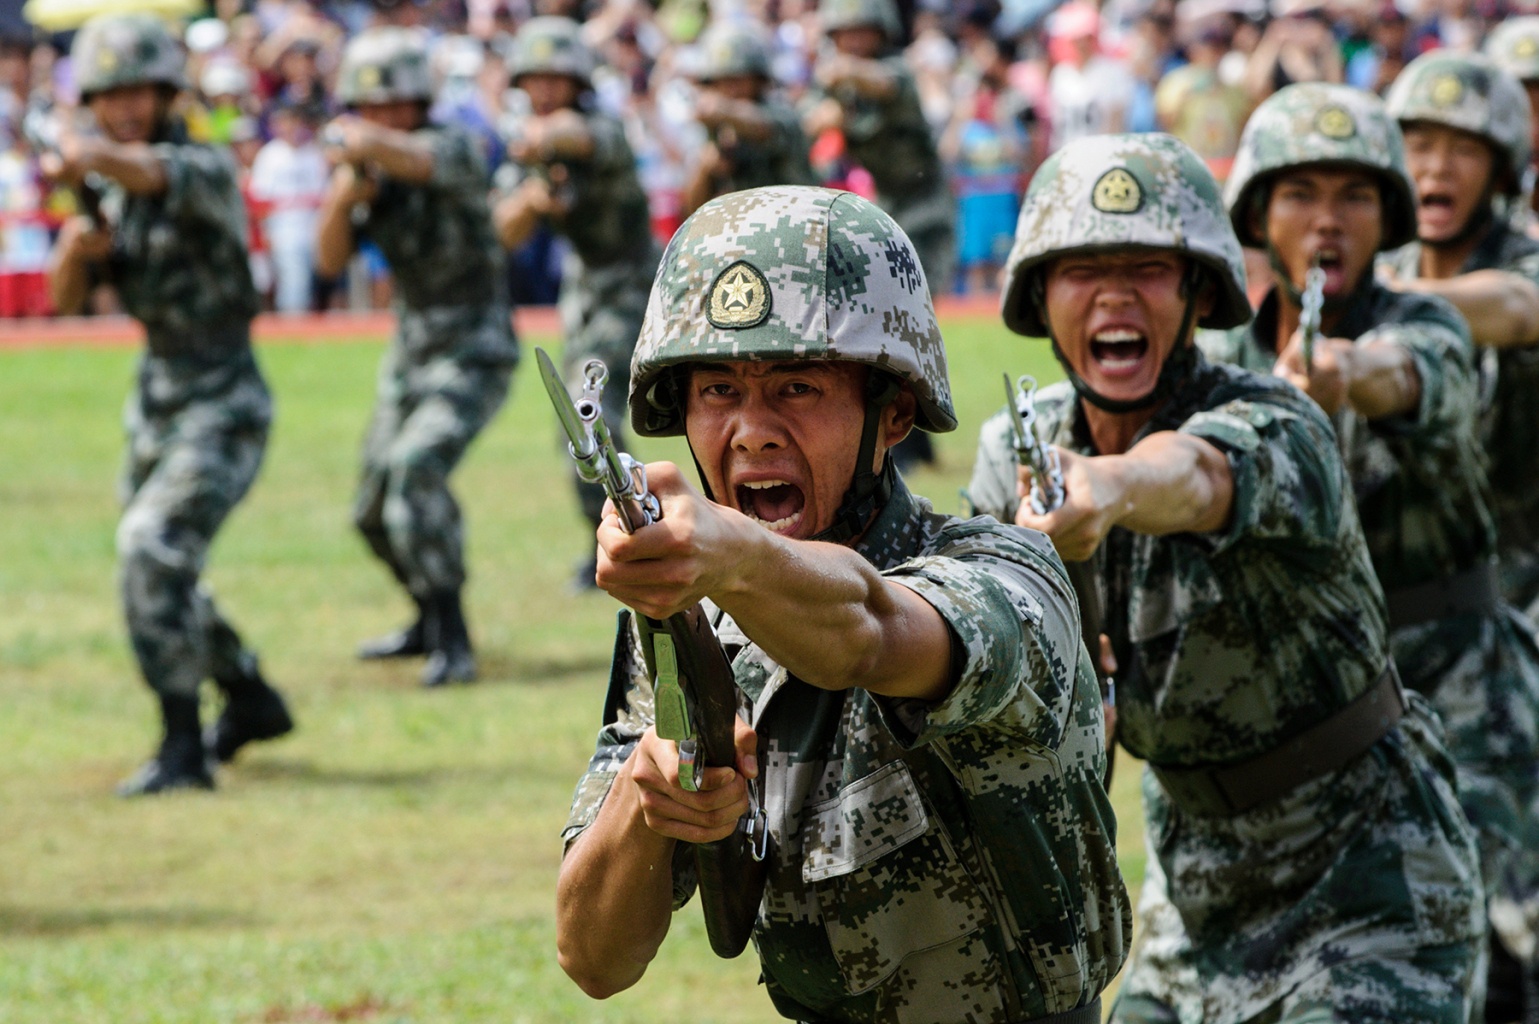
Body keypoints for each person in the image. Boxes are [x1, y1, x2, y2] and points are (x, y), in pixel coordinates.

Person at [556, 185, 1131, 1023]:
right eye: (716, 391)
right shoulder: (690, 626)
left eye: (796, 388)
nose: (750, 430)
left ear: (892, 414)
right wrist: (649, 805)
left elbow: (868, 630)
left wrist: (733, 552)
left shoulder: (1004, 574)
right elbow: (591, 960)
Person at [968, 132, 1485, 1023]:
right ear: (1038, 297)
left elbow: (1197, 475)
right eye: (1081, 270)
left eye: (1147, 268)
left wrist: (1109, 487)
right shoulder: (1015, 452)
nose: (1115, 295)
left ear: (1201, 292)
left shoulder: (1277, 421)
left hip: (1371, 886)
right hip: (1191, 896)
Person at [1202, 81, 1539, 1019]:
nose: (1327, 220)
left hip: (1457, 694)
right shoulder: (1222, 362)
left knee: (1484, 959)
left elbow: (1424, 363)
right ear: (1257, 217)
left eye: (1354, 196)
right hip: (1310, 724)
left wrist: (1346, 368)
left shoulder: (1426, 323)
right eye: (1299, 194)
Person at [43, 13, 294, 795]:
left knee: (150, 549)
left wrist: (87, 153)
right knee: (161, 564)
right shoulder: (116, 199)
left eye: (138, 92)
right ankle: (248, 694)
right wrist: (74, 249)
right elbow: (66, 302)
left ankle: (183, 746)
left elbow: (152, 170)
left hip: (224, 398)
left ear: (165, 94)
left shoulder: (198, 166)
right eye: (109, 95)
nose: (124, 107)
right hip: (156, 397)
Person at [316, 26, 518, 687]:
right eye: (368, 106)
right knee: (370, 508)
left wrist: (358, 141)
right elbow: (328, 260)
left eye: (393, 103)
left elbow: (417, 159)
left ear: (419, 102)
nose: (380, 116)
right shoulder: (369, 169)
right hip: (411, 351)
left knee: (417, 470)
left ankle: (454, 638)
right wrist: (344, 197)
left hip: (474, 347)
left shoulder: (451, 144)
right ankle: (425, 618)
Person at [490, 16, 660, 589]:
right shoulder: (530, 151)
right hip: (586, 290)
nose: (543, 89)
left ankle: (636, 531)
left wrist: (536, 139)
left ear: (577, 83)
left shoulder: (597, 129)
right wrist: (530, 197)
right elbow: (502, 232)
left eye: (555, 78)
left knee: (594, 415)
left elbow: (574, 135)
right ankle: (611, 531)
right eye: (533, 79)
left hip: (634, 284)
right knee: (577, 421)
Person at [1382, 51, 1539, 635]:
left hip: (1521, 589)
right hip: (1406, 603)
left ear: (1501, 172)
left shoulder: (1522, 263)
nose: (1437, 168)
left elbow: (1517, 307)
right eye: (1419, 145)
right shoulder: (1387, 264)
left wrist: (1389, 300)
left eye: (1465, 150)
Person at [802, 0, 951, 469]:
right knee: (886, 318)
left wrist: (838, 76)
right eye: (844, 33)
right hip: (888, 209)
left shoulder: (893, 71)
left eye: (861, 30)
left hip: (925, 206)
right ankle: (911, 437)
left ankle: (912, 434)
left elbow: (883, 83)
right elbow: (809, 121)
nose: (853, 40)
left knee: (909, 317)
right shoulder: (842, 87)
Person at [679, 20, 816, 219]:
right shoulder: (717, 130)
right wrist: (705, 169)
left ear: (759, 80)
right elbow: (692, 212)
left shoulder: (781, 113)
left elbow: (761, 126)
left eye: (739, 80)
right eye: (723, 82)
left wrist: (722, 110)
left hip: (797, 221)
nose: (731, 90)